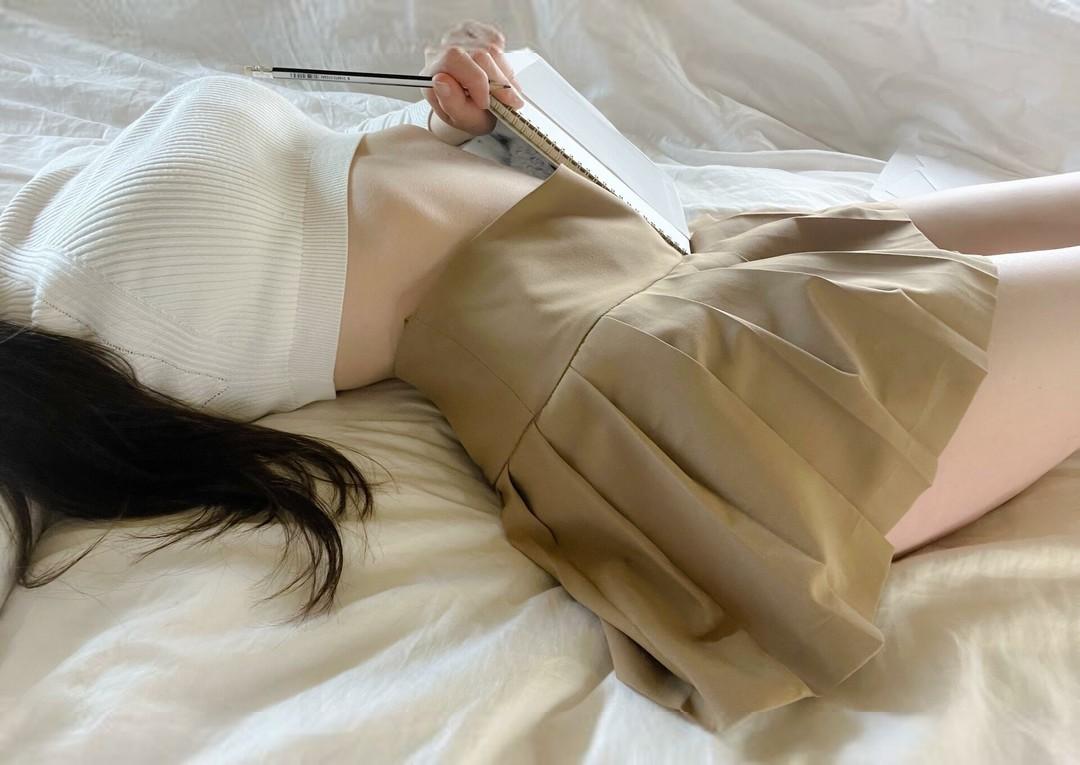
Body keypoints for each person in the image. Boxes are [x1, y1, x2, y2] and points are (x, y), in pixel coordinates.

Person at [1, 19, 1078, 730]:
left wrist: (454, 123)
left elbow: (323, 212)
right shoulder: (39, 361)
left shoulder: (43, 206)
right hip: (650, 357)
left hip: (678, 246)